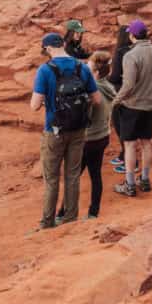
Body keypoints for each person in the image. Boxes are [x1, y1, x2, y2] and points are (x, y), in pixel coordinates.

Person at [31, 32, 101, 230]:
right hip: (78, 129)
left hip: (54, 130)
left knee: (52, 179)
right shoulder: (82, 67)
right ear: (63, 44)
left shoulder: (45, 70)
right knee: (72, 176)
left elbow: (34, 106)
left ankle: (47, 223)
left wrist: (48, 100)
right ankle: (70, 219)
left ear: (48, 49)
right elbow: (97, 100)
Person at [58, 51, 116, 220]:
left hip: (87, 139)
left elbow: (84, 114)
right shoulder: (109, 87)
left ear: (96, 73)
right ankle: (93, 213)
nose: (85, 70)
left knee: (73, 176)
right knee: (95, 175)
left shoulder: (93, 91)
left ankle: (63, 213)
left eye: (88, 68)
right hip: (103, 136)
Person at [112, 19, 152, 197]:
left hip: (132, 106)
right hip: (150, 105)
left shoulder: (131, 55)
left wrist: (116, 100)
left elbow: (127, 85)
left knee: (129, 145)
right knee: (146, 143)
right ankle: (145, 180)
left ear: (132, 35)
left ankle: (129, 184)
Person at [108, 24, 132, 173]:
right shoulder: (133, 50)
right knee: (125, 125)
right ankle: (124, 154)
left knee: (120, 124)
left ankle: (128, 159)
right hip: (132, 92)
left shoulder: (120, 52)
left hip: (119, 92)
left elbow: (116, 75)